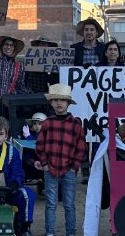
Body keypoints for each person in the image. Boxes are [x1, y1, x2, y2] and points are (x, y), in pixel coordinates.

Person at [36, 84, 86, 236]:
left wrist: (74, 167)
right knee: (50, 204)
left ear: (68, 103)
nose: (59, 103)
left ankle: (71, 232)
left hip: (69, 169)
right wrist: (44, 164)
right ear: (51, 103)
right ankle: (49, 232)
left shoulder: (76, 124)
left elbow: (81, 147)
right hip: (50, 168)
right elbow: (40, 145)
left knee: (69, 204)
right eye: (55, 100)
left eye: (62, 100)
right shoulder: (47, 123)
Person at [21, 111, 47, 188]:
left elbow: (37, 143)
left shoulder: (44, 134)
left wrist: (28, 137)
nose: (37, 126)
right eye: (35, 124)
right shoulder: (36, 134)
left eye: (40, 124)